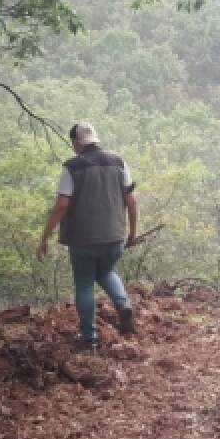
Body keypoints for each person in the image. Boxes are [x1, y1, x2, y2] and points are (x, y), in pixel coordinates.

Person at [37, 122, 139, 348]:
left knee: (84, 285)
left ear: (76, 143)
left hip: (82, 239)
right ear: (95, 139)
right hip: (114, 236)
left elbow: (61, 205)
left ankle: (89, 338)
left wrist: (45, 238)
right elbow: (131, 201)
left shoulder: (72, 167)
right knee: (106, 270)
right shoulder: (119, 162)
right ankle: (123, 305)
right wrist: (132, 233)